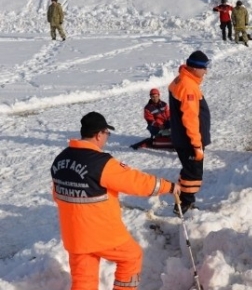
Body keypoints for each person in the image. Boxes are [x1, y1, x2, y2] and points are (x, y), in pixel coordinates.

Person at [50, 111, 180, 290]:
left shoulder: (60, 159)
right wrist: (169, 187)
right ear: (98, 134)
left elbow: (57, 196)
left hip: (74, 236)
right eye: (107, 134)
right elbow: (137, 182)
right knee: (131, 257)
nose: (107, 138)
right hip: (101, 233)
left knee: (83, 281)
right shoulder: (101, 163)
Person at [168, 51, 212, 215]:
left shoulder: (181, 79)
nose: (206, 72)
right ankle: (184, 207)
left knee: (188, 171)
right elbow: (190, 119)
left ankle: (185, 203)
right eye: (204, 68)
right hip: (189, 141)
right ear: (194, 68)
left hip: (182, 138)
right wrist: (196, 145)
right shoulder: (188, 87)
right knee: (192, 173)